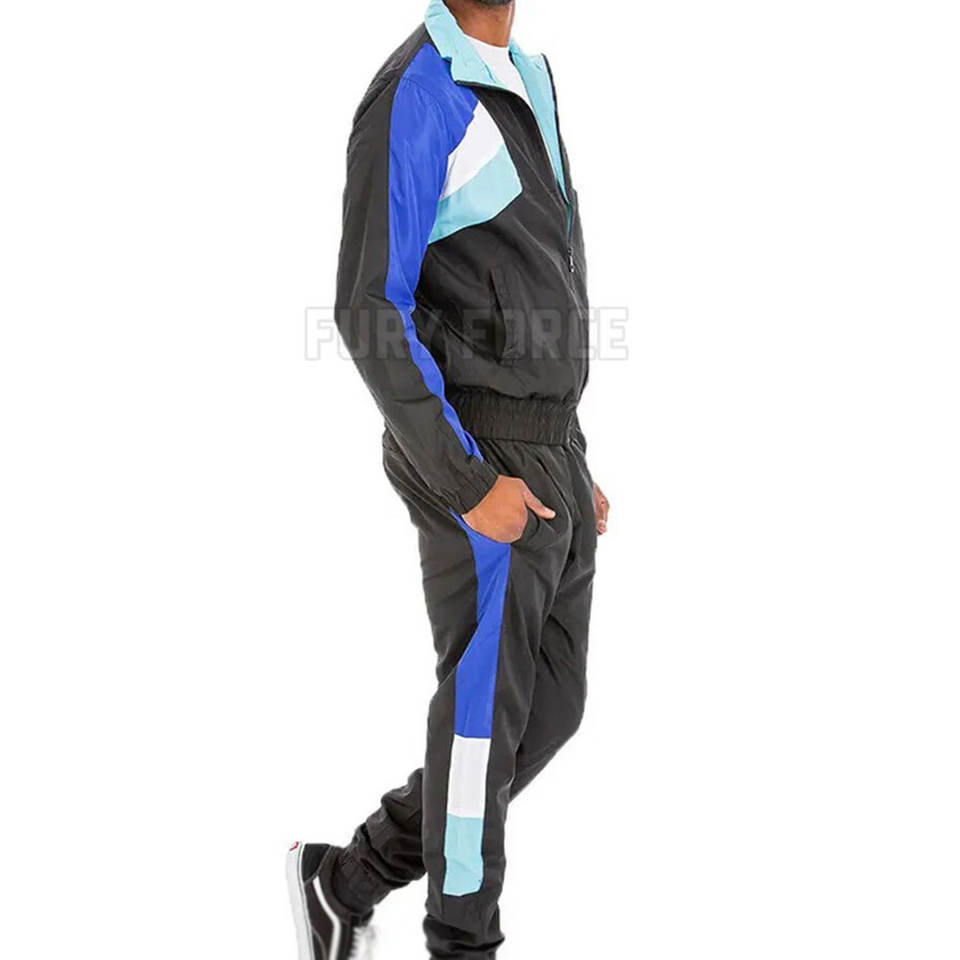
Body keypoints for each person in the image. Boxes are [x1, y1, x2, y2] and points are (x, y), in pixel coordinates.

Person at [288, 1, 610, 957]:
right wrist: (470, 482)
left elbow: (542, 279)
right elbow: (367, 309)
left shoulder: (530, 77)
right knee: (479, 733)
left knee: (548, 711)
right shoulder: (416, 91)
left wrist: (571, 446)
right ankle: (461, 942)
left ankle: (346, 880)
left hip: (547, 453)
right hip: (474, 455)